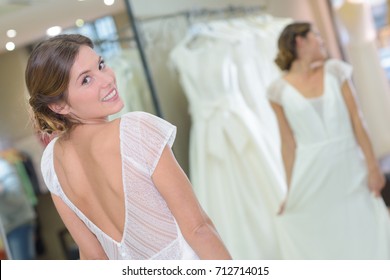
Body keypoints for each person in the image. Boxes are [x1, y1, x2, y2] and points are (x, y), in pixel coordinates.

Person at [25, 34, 231, 260]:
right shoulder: (136, 130)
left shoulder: (52, 162)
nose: (107, 79)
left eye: (101, 65)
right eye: (86, 80)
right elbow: (198, 229)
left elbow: (93, 257)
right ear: (58, 105)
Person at [267, 22, 390, 259]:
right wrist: (291, 193)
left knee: (365, 226)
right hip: (312, 172)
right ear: (300, 42)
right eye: (317, 36)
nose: (322, 41)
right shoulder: (277, 91)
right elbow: (288, 144)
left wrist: (373, 167)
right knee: (326, 233)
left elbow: (358, 120)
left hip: (351, 165)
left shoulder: (336, 72)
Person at [0, 154, 36, 260]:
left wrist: (2, 191)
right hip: (7, 228)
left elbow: (17, 199)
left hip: (19, 224)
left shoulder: (3, 167)